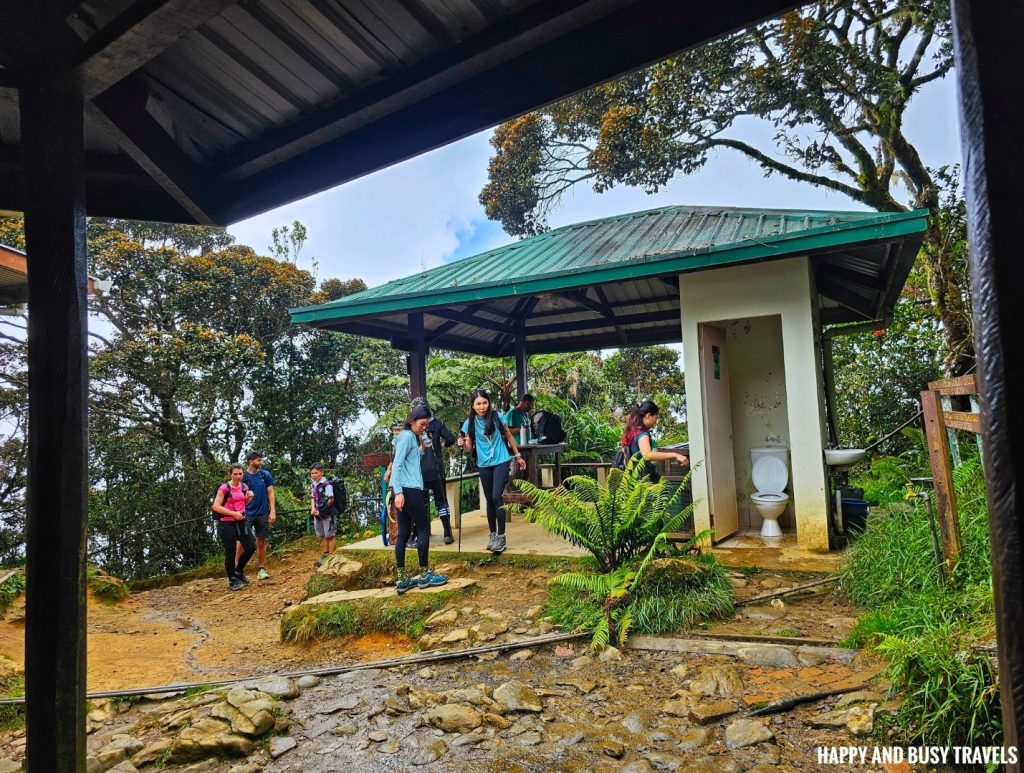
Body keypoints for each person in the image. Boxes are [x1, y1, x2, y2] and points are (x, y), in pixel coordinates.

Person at [458, 389, 527, 553]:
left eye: (484, 402)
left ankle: (501, 536)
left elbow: (509, 435)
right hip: (483, 463)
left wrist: (518, 456)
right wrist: (463, 443)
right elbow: (468, 449)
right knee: (489, 499)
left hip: (501, 460)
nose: (482, 406)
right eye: (478, 404)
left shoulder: (497, 416)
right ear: (473, 406)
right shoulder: (470, 423)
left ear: (489, 403)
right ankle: (492, 534)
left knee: (497, 496)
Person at [391, 404, 449, 593]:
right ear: (412, 421)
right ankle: (424, 576)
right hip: (409, 490)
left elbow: (410, 461)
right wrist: (398, 491)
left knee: (403, 534)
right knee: (423, 529)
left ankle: (402, 580)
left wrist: (422, 447)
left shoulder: (411, 438)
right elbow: (397, 465)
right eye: (422, 424)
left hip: (405, 491)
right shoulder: (406, 437)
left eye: (426, 424)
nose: (424, 427)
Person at [411, 397, 457, 544]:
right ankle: (447, 533)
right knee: (441, 501)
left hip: (420, 471)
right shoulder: (437, 424)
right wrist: (441, 445)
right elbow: (451, 438)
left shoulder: (414, 427)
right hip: (437, 469)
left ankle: (420, 534)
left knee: (422, 503)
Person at [619, 400, 689, 482]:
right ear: (648, 415)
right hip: (643, 481)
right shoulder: (642, 434)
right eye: (655, 418)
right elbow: (647, 455)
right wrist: (675, 455)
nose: (656, 422)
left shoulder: (631, 433)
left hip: (632, 480)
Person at [212, 463, 256, 591]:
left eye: (240, 474)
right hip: (226, 523)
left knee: (250, 547)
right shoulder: (224, 488)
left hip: (241, 520)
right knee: (230, 551)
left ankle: (238, 571)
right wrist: (233, 514)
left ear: (243, 473)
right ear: (230, 474)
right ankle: (232, 579)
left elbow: (242, 503)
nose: (237, 476)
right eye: (235, 474)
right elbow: (215, 506)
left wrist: (249, 499)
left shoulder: (244, 487)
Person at [239, 450, 276, 580]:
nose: (261, 462)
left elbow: (271, 493)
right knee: (242, 541)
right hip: (246, 513)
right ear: (251, 462)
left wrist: (272, 511)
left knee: (261, 540)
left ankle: (261, 569)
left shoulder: (265, 475)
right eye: (258, 460)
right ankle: (237, 569)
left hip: (262, 512)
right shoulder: (243, 477)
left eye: (261, 460)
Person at [309, 463, 337, 567]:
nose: (314, 475)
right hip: (317, 515)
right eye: (312, 473)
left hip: (328, 515)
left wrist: (322, 511)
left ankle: (332, 557)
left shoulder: (327, 484)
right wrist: (313, 508)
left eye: (316, 473)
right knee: (322, 535)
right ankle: (325, 555)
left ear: (321, 472)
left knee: (330, 535)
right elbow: (313, 498)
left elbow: (331, 499)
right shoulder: (313, 485)